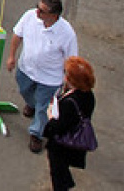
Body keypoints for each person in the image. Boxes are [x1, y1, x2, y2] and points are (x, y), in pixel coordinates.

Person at [7, 0, 79, 153]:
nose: (37, 12)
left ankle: (36, 134)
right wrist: (12, 56)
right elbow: (17, 35)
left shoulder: (67, 34)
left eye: (42, 11)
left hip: (49, 79)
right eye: (37, 7)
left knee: (43, 107)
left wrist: (69, 82)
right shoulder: (29, 16)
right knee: (25, 91)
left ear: (54, 16)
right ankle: (32, 104)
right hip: (26, 70)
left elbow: (71, 60)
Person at [42, 56, 97, 190]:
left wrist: (50, 115)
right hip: (73, 142)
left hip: (63, 145)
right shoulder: (88, 96)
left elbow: (58, 126)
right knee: (61, 169)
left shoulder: (70, 103)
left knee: (57, 170)